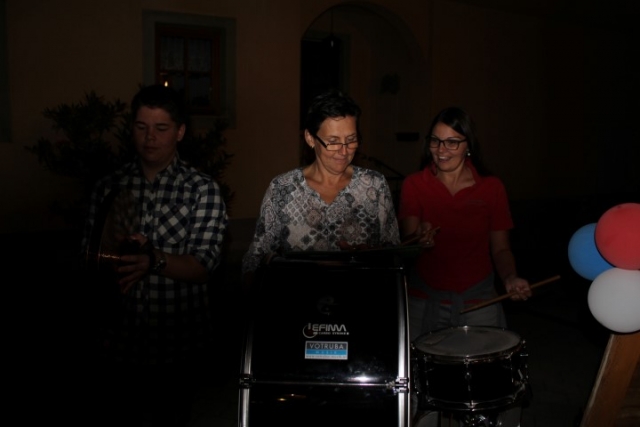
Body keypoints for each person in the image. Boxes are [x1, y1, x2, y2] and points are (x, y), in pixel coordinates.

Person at [80, 84, 228, 427]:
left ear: (179, 132)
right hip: (118, 342)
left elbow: (203, 266)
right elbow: (91, 262)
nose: (150, 137)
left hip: (178, 342)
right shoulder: (109, 187)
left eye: (161, 128)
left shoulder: (201, 189)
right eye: (141, 127)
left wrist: (154, 260)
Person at [398, 106, 531, 426]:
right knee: (418, 391)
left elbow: (501, 248)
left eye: (452, 142)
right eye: (435, 141)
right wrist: (418, 239)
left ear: (468, 145)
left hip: (478, 301)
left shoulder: (491, 188)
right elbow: (407, 243)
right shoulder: (415, 184)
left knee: (487, 391)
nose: (441, 150)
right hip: (424, 301)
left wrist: (510, 278)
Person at [241, 89, 401, 286]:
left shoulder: (375, 186)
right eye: (333, 142)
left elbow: (394, 252)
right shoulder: (283, 188)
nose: (344, 151)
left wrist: (372, 256)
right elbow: (256, 257)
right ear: (310, 138)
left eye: (351, 140)